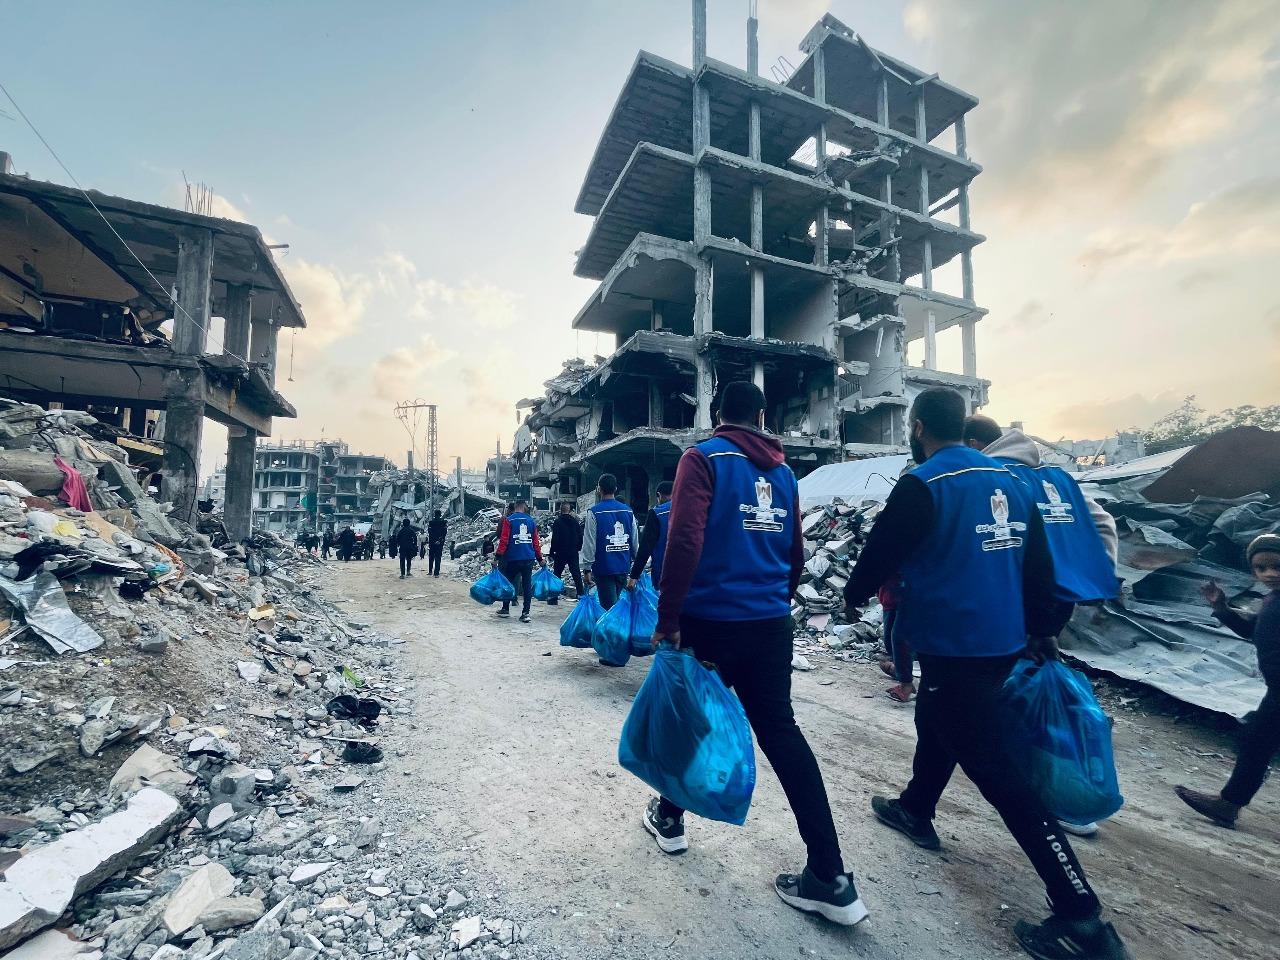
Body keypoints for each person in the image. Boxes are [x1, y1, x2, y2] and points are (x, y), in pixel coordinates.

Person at [844, 388, 1129, 960]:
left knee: (996, 770)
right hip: (1004, 642)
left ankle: (1081, 915)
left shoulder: (924, 483)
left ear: (917, 427)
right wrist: (1044, 628)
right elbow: (1040, 564)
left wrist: (853, 595)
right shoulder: (1012, 480)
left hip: (955, 644)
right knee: (936, 716)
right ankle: (916, 808)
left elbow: (881, 552)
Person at [643, 381, 867, 927]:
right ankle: (830, 876)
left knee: (693, 721)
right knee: (782, 735)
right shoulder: (783, 473)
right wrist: (775, 602)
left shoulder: (702, 459)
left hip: (710, 621)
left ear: (716, 411)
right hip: (768, 624)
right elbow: (795, 551)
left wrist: (668, 618)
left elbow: (685, 540)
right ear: (762, 417)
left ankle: (670, 821)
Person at [965, 414, 1121, 838]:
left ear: (974, 445)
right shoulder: (1057, 478)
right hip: (1054, 610)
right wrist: (1093, 578)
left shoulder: (995, 479)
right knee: (1023, 696)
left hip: (1012, 611)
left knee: (1006, 706)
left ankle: (1051, 797)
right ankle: (922, 800)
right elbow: (1103, 523)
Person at [1176, 533, 1280, 828]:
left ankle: (1228, 804)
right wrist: (1222, 608)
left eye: (1277, 566)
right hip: (1276, 691)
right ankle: (1228, 805)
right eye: (1261, 568)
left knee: (1256, 741)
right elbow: (1252, 631)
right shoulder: (1272, 600)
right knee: (1256, 742)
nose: (1269, 574)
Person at [580, 474, 637, 610]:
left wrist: (587, 568)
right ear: (615, 489)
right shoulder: (628, 511)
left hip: (604, 569)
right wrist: (637, 567)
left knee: (609, 611)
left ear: (599, 489)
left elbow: (589, 543)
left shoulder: (594, 512)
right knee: (616, 607)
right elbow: (635, 541)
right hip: (623, 567)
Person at [494, 499, 544, 622]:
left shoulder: (509, 520)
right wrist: (540, 559)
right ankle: (525, 613)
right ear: (524, 507)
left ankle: (505, 609)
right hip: (528, 558)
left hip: (513, 558)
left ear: (515, 506)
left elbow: (504, 541)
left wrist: (497, 558)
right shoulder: (531, 521)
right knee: (527, 586)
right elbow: (535, 542)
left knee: (508, 583)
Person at [628, 481, 673, 590]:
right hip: (691, 571)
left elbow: (645, 547)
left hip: (664, 572)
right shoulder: (690, 510)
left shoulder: (656, 513)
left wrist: (634, 576)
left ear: (659, 495)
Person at [548, 501, 584, 604]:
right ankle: (581, 595)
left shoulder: (558, 522)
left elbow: (555, 538)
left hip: (561, 552)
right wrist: (578, 548)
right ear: (570, 510)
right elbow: (580, 536)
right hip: (573, 551)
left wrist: (552, 552)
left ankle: (554, 598)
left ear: (560, 510)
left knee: (557, 574)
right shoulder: (575, 522)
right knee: (576, 573)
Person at [427, 509, 448, 577]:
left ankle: (430, 571)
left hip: (432, 542)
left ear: (434, 514)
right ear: (440, 514)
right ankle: (436, 573)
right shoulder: (443, 522)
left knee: (431, 557)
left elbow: (430, 532)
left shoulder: (431, 522)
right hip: (440, 542)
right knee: (438, 557)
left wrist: (434, 540)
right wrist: (439, 540)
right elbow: (444, 533)